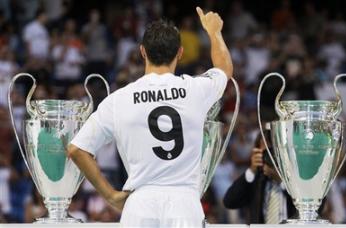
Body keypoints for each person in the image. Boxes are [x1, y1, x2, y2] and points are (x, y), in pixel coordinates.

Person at [67, 6, 233, 227]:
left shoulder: (119, 100)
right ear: (180, 53)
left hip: (139, 206)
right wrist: (214, 32)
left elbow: (77, 149)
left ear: (142, 51)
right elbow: (224, 69)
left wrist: (110, 195)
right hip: (185, 205)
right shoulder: (196, 89)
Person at [223, 132, 297, 224]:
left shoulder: (295, 179)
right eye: (264, 152)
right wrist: (251, 170)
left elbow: (307, 207)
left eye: (271, 151)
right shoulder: (256, 180)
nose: (268, 156)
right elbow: (229, 202)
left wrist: (281, 181)